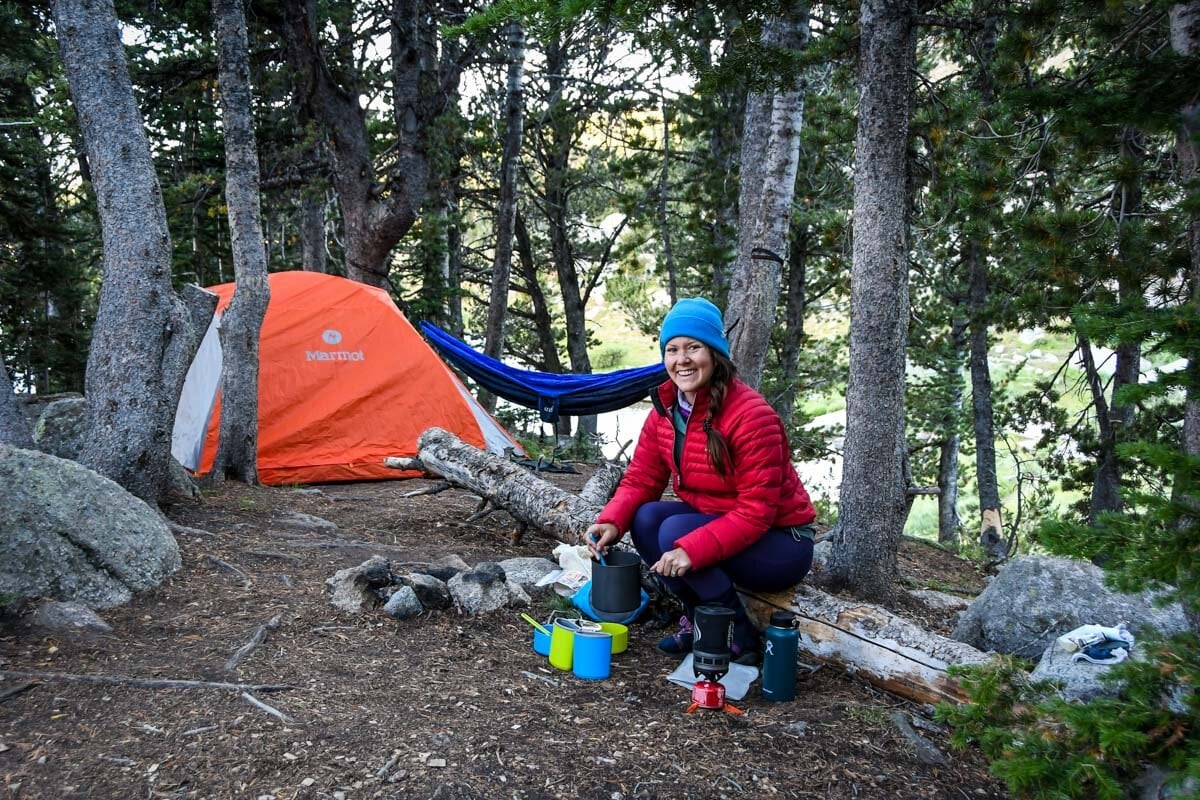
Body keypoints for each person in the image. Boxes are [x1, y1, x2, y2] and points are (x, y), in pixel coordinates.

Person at [586, 297, 816, 663]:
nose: (683, 360)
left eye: (694, 347)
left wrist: (691, 549)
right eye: (673, 349)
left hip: (780, 543)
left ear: (715, 354)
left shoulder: (752, 416)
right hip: (721, 522)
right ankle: (698, 621)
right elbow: (641, 478)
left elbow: (757, 512)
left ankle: (738, 634)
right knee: (645, 519)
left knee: (672, 531)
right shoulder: (666, 411)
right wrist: (611, 521)